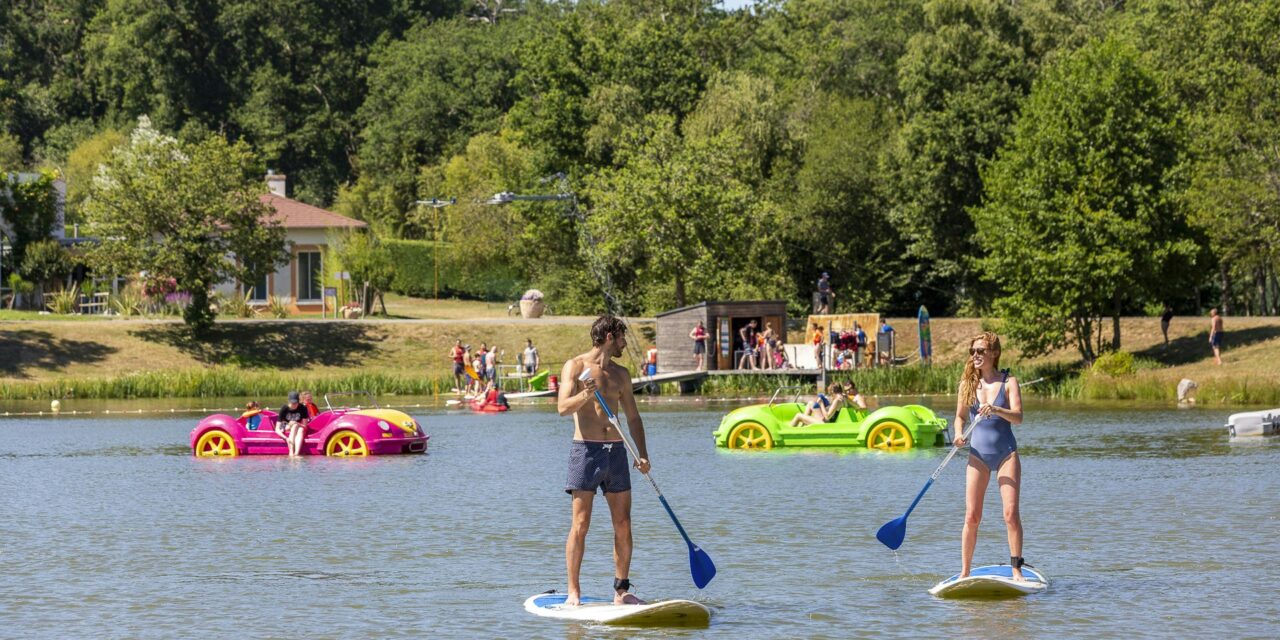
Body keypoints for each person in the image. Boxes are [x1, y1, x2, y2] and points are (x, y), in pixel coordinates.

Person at [557, 315, 651, 607]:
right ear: (610, 336)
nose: (624, 342)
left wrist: (643, 453)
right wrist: (585, 394)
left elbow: (633, 418)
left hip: (617, 452)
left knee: (623, 523)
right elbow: (562, 407)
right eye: (622, 336)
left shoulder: (621, 374)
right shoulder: (575, 366)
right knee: (581, 523)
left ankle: (621, 590)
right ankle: (574, 591)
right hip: (585, 450)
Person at [952, 332, 1025, 581]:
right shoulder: (967, 384)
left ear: (994, 353)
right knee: (972, 516)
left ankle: (1017, 569)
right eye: (973, 351)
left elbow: (1018, 417)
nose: (976, 356)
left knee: (1010, 514)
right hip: (977, 455)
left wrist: (996, 409)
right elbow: (960, 417)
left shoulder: (1008, 382)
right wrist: (959, 434)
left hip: (1006, 454)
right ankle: (964, 572)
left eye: (981, 351)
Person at [277, 391, 311, 457]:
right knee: (295, 426)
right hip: (285, 426)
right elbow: (277, 429)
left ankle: (296, 453)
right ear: (289, 402)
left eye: (296, 402)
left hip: (298, 426)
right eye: (292, 403)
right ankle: (291, 452)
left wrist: (296, 423)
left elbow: (305, 426)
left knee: (300, 429)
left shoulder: (303, 408)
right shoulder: (284, 408)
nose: (294, 404)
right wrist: (286, 438)